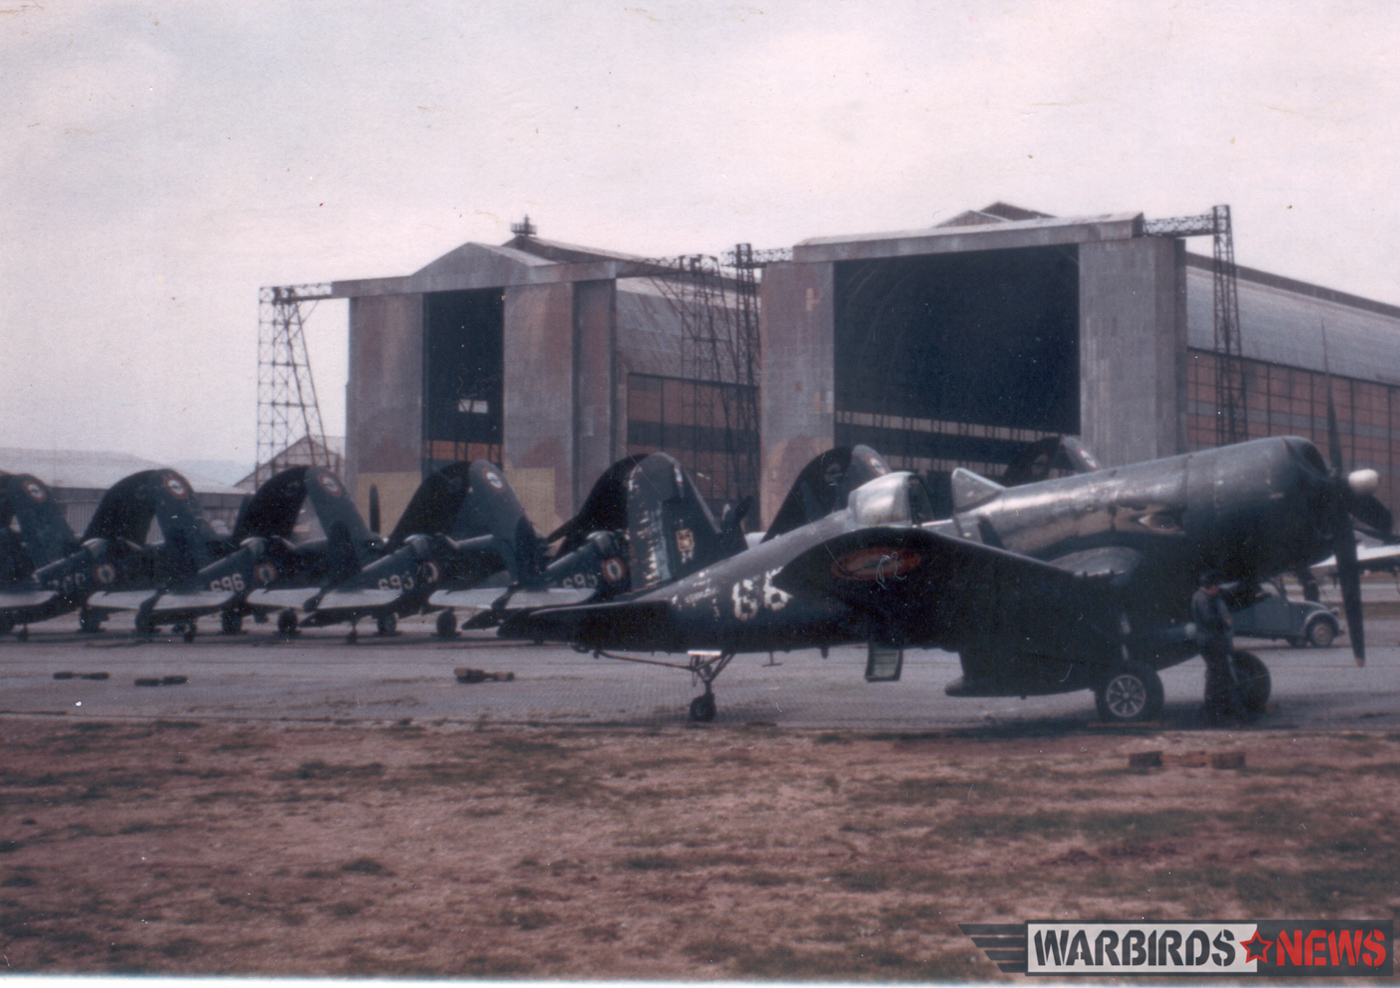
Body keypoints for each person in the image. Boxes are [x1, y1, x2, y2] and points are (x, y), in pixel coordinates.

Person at [1191, 572, 1240, 724]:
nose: (1218, 589)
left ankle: (1215, 712)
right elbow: (1210, 619)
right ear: (1210, 586)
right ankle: (1213, 713)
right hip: (1210, 642)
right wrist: (1226, 623)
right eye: (1216, 586)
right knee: (1216, 677)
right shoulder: (1203, 600)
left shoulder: (1201, 597)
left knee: (1216, 675)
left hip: (1209, 642)